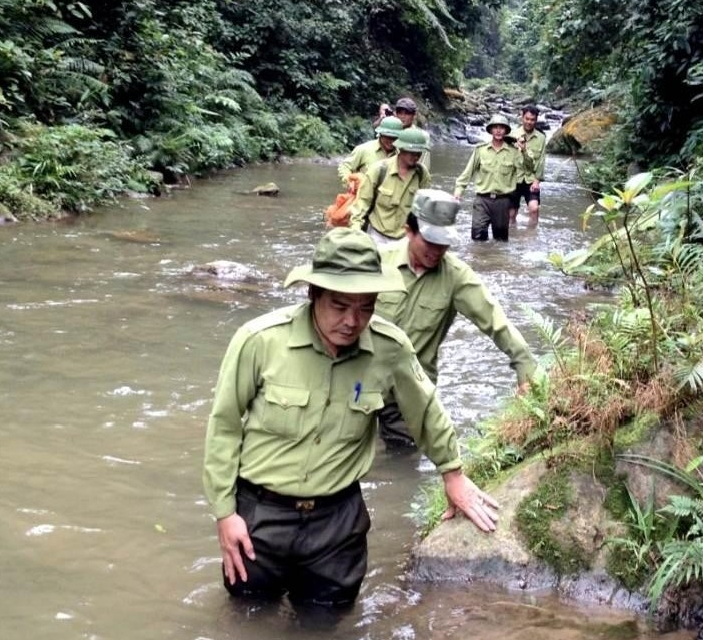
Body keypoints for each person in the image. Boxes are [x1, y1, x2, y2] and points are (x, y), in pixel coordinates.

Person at [203, 227, 498, 616]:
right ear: (313, 294)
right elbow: (224, 427)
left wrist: (453, 474)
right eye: (340, 306)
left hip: (337, 524)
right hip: (260, 516)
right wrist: (225, 515)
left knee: (325, 625)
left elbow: (425, 411)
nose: (353, 320)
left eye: (365, 307)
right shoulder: (259, 341)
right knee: (248, 618)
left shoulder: (389, 348)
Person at [375, 189, 538, 448]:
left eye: (444, 243)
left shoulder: (456, 277)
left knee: (402, 463)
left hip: (410, 395)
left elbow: (497, 323)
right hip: (360, 386)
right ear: (409, 230)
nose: (437, 251)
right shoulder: (376, 263)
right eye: (430, 242)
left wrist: (526, 371)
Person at [453, 114, 533, 242]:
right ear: (490, 130)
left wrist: (524, 151)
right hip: (482, 200)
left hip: (503, 201)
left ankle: (498, 262)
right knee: (477, 237)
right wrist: (458, 192)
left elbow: (528, 169)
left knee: (500, 241)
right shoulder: (480, 150)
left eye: (502, 128)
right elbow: (467, 173)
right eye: (495, 127)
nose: (498, 130)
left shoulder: (514, 152)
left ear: (506, 131)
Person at [350, 127, 431, 245]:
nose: (416, 156)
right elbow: (362, 203)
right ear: (401, 149)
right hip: (377, 236)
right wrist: (355, 232)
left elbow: (424, 210)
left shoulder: (422, 174)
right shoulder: (379, 170)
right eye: (412, 152)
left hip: (405, 239)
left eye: (419, 152)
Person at [509, 106, 547, 227]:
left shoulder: (541, 138)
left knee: (534, 209)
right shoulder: (512, 135)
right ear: (522, 117)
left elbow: (541, 161)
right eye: (527, 118)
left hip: (531, 179)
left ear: (536, 120)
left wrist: (537, 181)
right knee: (511, 213)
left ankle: (532, 237)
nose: (529, 122)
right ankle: (511, 237)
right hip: (514, 178)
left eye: (532, 119)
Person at [337, 116, 403, 183]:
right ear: (380, 134)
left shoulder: (402, 156)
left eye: (394, 138)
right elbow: (345, 166)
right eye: (387, 137)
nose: (391, 141)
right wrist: (349, 181)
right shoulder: (363, 149)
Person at [374, 97, 431, 172]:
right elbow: (376, 132)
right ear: (395, 114)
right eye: (400, 113)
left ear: (414, 115)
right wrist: (382, 117)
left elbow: (423, 164)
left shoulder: (421, 136)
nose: (403, 116)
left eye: (407, 113)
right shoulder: (391, 132)